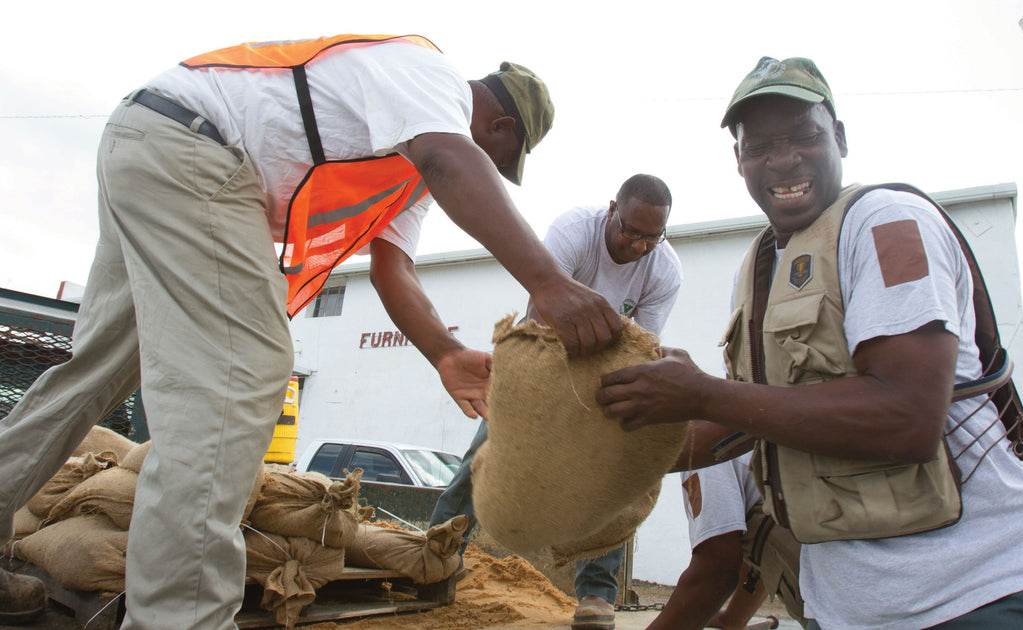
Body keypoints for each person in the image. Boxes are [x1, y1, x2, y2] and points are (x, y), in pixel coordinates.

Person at [0, 34, 624, 629]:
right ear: (501, 127)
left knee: (94, 373)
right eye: (496, 158)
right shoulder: (431, 83)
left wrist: (445, 352)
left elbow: (393, 267)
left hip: (149, 140)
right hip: (193, 147)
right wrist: (548, 281)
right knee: (240, 375)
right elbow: (451, 157)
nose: (486, 164)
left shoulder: (408, 158)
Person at [597, 56, 1023, 629]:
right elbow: (754, 419)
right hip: (851, 610)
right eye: (760, 147)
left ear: (841, 138)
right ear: (739, 160)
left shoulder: (886, 223)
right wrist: (592, 457)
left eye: (804, 136)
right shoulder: (757, 269)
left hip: (978, 595)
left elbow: (906, 418)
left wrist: (700, 393)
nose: (783, 160)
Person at [429, 173, 682, 630]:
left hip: (606, 374)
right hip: (542, 358)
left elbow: (642, 346)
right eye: (631, 232)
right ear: (612, 210)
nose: (640, 246)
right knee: (483, 455)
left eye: (652, 236)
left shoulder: (665, 269)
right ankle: (436, 557)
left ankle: (596, 596)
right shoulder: (573, 232)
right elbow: (541, 310)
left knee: (613, 480)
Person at [650, 452, 805, 630]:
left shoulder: (706, 451)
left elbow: (716, 569)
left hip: (832, 611)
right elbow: (767, 546)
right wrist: (732, 619)